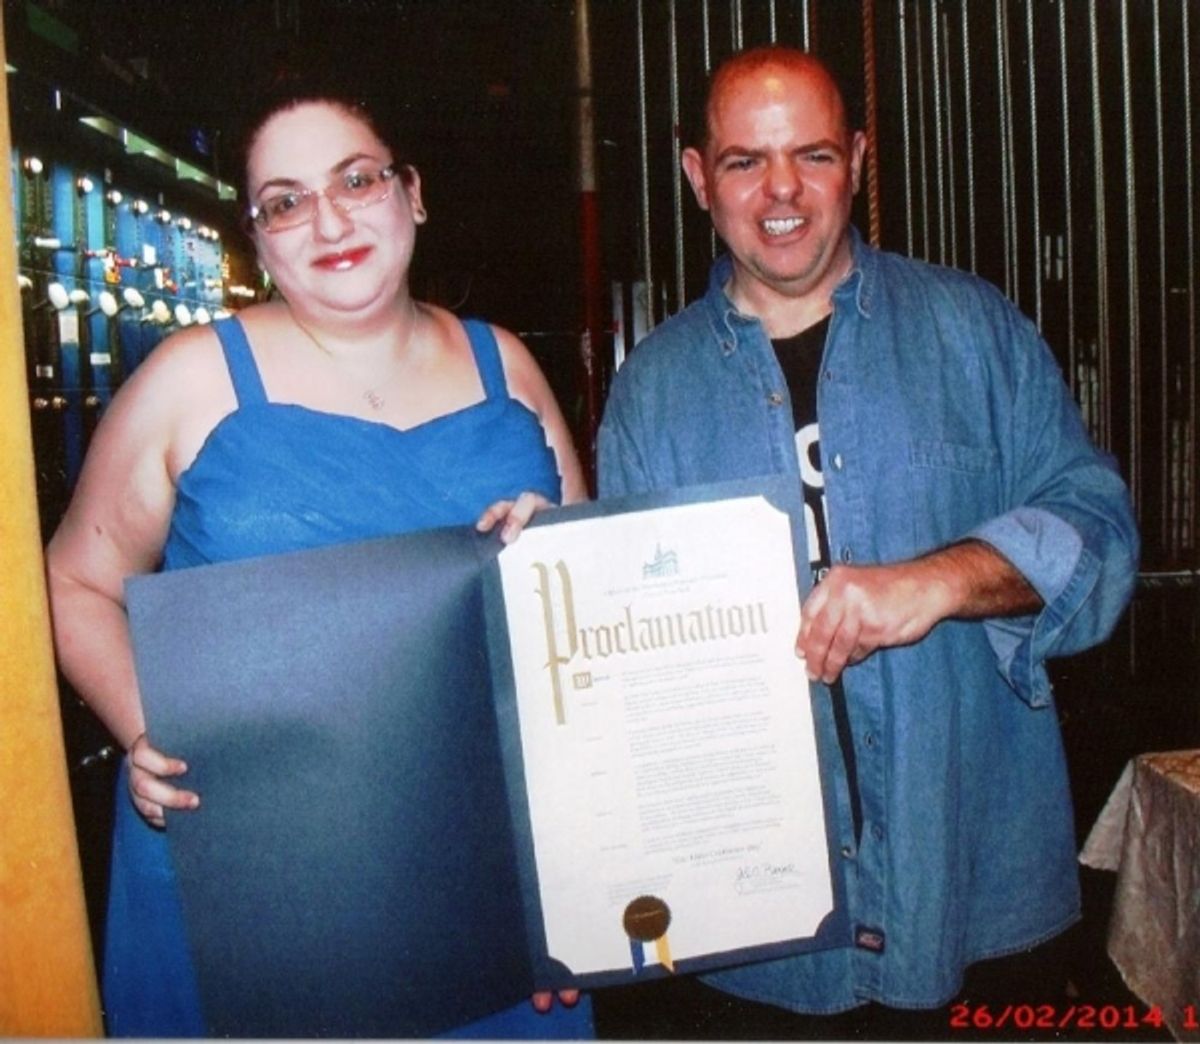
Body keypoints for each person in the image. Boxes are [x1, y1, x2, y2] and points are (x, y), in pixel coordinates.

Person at [596, 45, 1138, 1024]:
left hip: (973, 895)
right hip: (757, 947)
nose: (781, 192)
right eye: (742, 161)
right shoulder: (649, 395)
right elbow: (627, 688)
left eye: (812, 155)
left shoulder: (976, 331)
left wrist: (938, 581)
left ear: (857, 158)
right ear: (695, 176)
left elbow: (1099, 531)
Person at [45, 80, 590, 1038]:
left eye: (356, 179)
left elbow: (594, 614)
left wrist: (556, 555)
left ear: (412, 193)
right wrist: (147, 732)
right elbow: (73, 579)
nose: (328, 219)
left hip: (477, 857)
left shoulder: (509, 366)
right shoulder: (191, 377)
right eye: (286, 201)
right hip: (251, 864)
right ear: (258, 238)